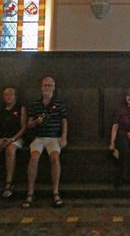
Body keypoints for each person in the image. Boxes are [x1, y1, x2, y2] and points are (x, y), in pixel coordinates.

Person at [22, 77, 67, 208]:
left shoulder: (59, 103)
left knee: (54, 158)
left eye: (49, 85)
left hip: (54, 137)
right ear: (41, 87)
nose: (47, 88)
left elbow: (64, 121)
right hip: (39, 138)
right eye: (44, 85)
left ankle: (55, 192)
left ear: (53, 87)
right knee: (34, 158)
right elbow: (29, 124)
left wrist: (64, 137)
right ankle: (30, 193)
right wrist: (35, 122)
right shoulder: (35, 104)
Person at [0, 87, 26, 198]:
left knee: (10, 150)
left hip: (17, 138)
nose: (8, 96)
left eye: (11, 94)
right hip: (2, 138)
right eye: (6, 94)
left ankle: (9, 183)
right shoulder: (1, 109)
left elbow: (23, 128)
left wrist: (12, 139)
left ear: (15, 96)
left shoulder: (20, 108)